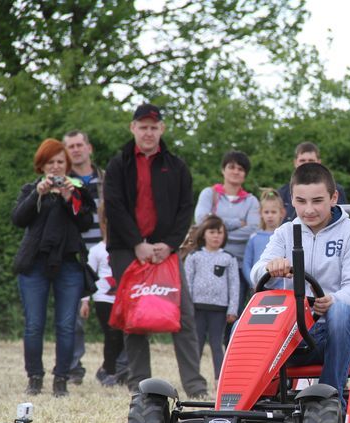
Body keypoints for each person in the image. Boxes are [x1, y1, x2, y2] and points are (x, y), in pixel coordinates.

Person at [104, 103, 208, 397]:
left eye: (153, 127)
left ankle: (195, 386)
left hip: (167, 249)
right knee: (134, 318)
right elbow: (114, 206)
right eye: (143, 127)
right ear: (132, 128)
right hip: (127, 248)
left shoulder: (176, 165)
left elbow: (186, 207)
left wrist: (170, 244)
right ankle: (140, 386)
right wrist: (137, 243)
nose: (148, 133)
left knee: (184, 315)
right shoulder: (118, 164)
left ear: (161, 129)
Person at [250, 162, 350, 406]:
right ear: (291, 200)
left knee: (340, 312)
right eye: (301, 201)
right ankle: (250, 406)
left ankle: (328, 401)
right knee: (247, 322)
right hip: (299, 333)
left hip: (345, 331)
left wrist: (333, 300)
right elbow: (256, 274)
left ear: (333, 197)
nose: (309, 209)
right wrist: (271, 268)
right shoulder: (285, 233)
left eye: (317, 201)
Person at [12, 138, 95, 397]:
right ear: (42, 165)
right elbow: (18, 219)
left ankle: (62, 379)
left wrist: (70, 197)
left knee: (66, 324)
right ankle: (35, 377)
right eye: (51, 162)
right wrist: (40, 193)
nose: (57, 167)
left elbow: (84, 223)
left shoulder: (78, 190)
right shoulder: (31, 189)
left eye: (61, 162)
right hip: (34, 264)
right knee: (34, 324)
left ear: (67, 165)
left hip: (68, 263)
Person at [193, 150, 260, 318]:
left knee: (236, 313)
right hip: (208, 264)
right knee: (212, 315)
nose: (236, 171)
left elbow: (253, 229)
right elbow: (202, 221)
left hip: (239, 264)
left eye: (241, 169)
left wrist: (216, 229)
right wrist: (237, 223)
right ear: (223, 170)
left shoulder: (251, 201)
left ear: (245, 174)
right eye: (231, 167)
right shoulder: (209, 194)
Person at [63, 129, 106, 385]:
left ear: (89, 148)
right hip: (77, 253)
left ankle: (114, 368)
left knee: (112, 313)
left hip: (108, 252)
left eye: (80, 145)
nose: (76, 150)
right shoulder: (63, 183)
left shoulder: (107, 180)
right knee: (74, 315)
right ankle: (72, 368)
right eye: (71, 146)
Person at [184, 215, 239, 382]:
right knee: (197, 344)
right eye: (212, 232)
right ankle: (192, 378)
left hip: (219, 309)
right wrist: (187, 307)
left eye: (220, 232)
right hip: (197, 307)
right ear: (203, 234)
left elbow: (234, 285)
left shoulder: (229, 258)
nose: (216, 236)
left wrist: (232, 309)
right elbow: (187, 282)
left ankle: (220, 379)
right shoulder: (194, 256)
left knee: (217, 344)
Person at [82, 205, 125, 386]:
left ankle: (114, 370)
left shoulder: (125, 251)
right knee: (111, 335)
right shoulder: (96, 251)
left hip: (122, 299)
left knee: (122, 336)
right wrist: (85, 302)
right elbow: (88, 279)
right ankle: (108, 370)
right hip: (103, 299)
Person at [278, 142, 347, 222]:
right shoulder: (282, 192)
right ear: (295, 162)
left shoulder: (335, 189)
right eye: (302, 160)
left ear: (319, 162)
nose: (306, 164)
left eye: (311, 160)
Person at [243, 188, 285, 285]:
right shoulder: (254, 238)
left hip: (282, 289)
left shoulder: (286, 236)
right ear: (260, 213)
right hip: (259, 289)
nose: (270, 216)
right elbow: (246, 264)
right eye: (266, 212)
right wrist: (254, 283)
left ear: (282, 213)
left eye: (273, 212)